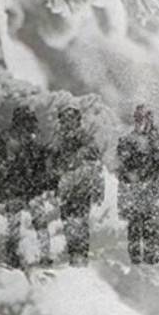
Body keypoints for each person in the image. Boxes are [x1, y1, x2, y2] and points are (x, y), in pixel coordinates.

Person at [117, 105, 159, 265]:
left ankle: (155, 260)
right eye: (136, 118)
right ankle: (136, 262)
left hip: (156, 190)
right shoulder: (128, 140)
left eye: (142, 117)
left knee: (154, 225)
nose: (139, 121)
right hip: (136, 191)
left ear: (150, 118)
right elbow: (121, 165)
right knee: (135, 226)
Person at [0, 105, 52, 267]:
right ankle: (40, 255)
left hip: (20, 187)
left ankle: (17, 256)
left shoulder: (10, 137)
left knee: (17, 224)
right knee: (34, 223)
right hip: (24, 187)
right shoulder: (23, 138)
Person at [52, 106, 104, 266]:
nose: (66, 123)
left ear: (76, 121)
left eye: (69, 120)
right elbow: (53, 161)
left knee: (79, 222)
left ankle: (79, 256)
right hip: (66, 187)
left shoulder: (85, 138)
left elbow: (95, 162)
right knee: (67, 221)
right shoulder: (59, 138)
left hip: (81, 188)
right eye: (64, 120)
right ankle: (71, 255)